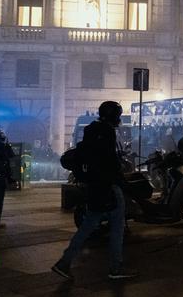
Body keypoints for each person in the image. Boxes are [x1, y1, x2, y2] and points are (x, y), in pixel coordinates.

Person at [53, 101, 137, 281]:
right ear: (113, 115)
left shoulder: (90, 132)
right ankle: (115, 268)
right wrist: (120, 176)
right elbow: (109, 162)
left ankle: (64, 262)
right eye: (118, 115)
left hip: (94, 187)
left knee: (87, 227)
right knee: (117, 228)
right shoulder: (106, 132)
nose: (119, 119)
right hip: (108, 187)